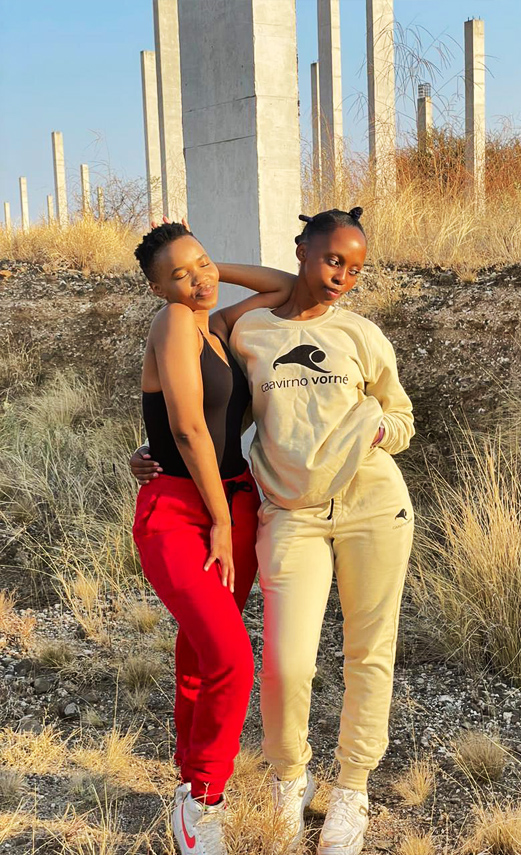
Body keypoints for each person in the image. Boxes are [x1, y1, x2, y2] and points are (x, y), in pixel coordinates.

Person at [132, 208, 415, 855]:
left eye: (354, 267)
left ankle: (348, 790)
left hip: (360, 502)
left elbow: (401, 416)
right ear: (302, 251)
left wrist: (376, 429)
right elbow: (194, 414)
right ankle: (279, 779)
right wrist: (154, 451)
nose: (341, 276)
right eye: (331, 259)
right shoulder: (235, 327)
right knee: (275, 663)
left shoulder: (356, 333)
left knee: (365, 652)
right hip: (276, 511)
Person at [131, 221, 296, 855]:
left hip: (235, 499)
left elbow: (285, 287)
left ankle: (188, 779)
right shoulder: (173, 321)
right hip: (182, 509)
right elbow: (188, 428)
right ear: (157, 289)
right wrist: (221, 522)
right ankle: (203, 799)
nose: (197, 279)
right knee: (231, 657)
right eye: (177, 274)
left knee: (204, 651)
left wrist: (209, 270)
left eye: (201, 262)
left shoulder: (218, 328)